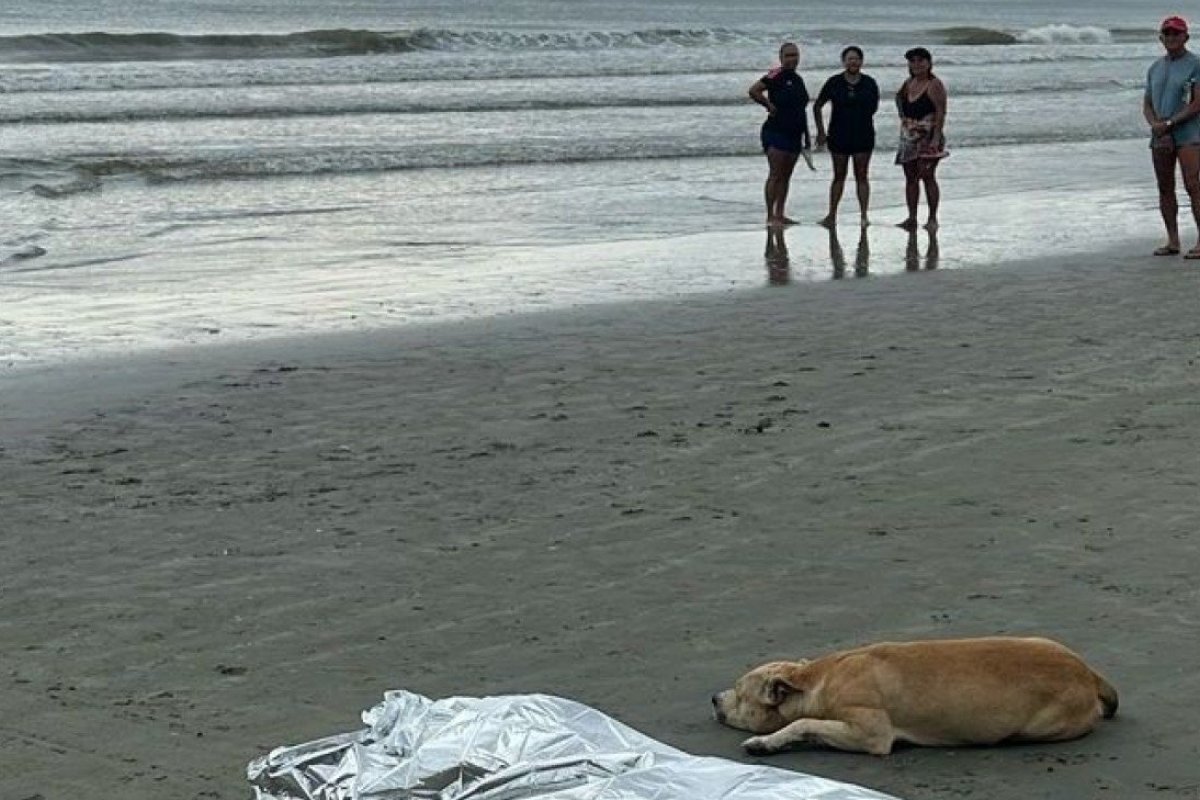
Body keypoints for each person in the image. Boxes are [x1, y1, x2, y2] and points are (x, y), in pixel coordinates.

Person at [1144, 15, 1200, 258]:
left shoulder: (1196, 64)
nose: (1171, 37)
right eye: (1167, 33)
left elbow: (1197, 104)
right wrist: (1156, 125)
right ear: (1161, 37)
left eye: (1176, 33)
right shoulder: (1155, 68)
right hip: (1161, 135)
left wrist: (1169, 123)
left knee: (1193, 184)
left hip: (1189, 132)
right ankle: (1173, 240)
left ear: (1185, 37)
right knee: (1165, 187)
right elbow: (1147, 103)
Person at [814, 46, 880, 228]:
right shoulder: (834, 82)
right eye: (850, 59)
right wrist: (820, 131)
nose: (853, 62)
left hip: (863, 135)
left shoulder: (869, 83)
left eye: (857, 58)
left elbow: (874, 108)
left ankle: (864, 216)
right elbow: (817, 106)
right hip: (838, 134)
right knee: (839, 176)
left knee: (862, 175)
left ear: (862, 61)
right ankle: (832, 215)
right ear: (843, 61)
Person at [748, 43, 812, 227]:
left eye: (795, 55)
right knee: (775, 174)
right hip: (776, 131)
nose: (792, 59)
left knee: (787, 175)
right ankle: (770, 215)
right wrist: (768, 105)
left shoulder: (798, 79)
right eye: (788, 55)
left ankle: (781, 213)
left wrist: (807, 136)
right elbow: (754, 90)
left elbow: (802, 109)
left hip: (795, 133)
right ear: (781, 58)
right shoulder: (775, 74)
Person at [894, 47, 948, 232]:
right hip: (909, 137)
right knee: (910, 178)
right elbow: (898, 98)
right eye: (912, 61)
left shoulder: (934, 84)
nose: (917, 64)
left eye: (921, 60)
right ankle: (912, 217)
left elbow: (941, 112)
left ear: (929, 63)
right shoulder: (908, 82)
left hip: (928, 137)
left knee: (928, 176)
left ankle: (932, 218)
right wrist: (903, 118)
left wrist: (936, 139)